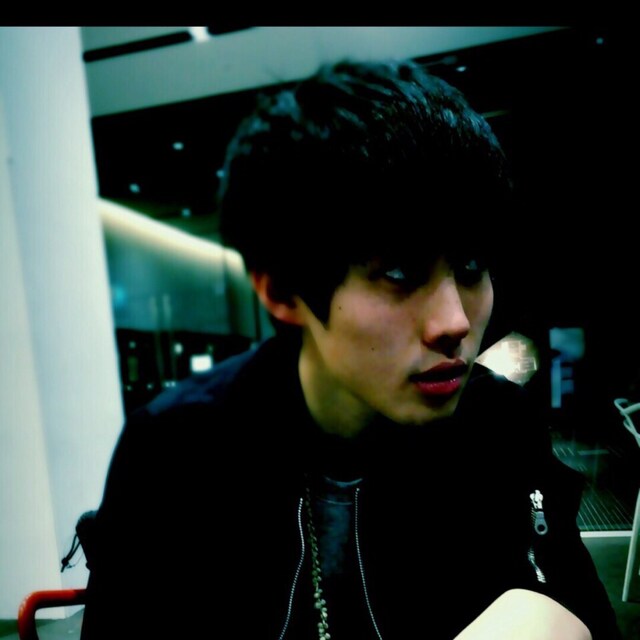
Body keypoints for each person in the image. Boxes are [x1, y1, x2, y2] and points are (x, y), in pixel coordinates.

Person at [80, 59, 621, 639]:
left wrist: (549, 611)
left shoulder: (497, 424)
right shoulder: (179, 449)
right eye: (399, 273)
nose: (455, 321)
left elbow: (577, 601)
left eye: (470, 267)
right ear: (281, 290)